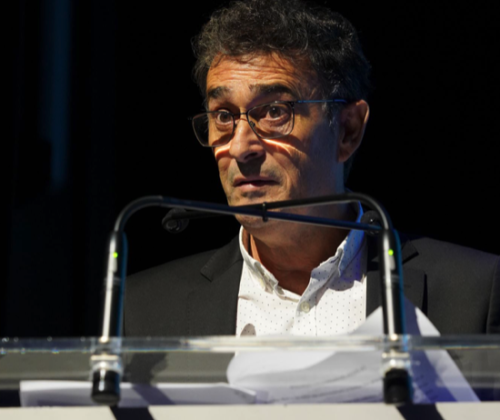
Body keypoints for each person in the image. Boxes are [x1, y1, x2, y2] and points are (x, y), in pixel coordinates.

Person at [124, 0, 500, 339]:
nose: (239, 147)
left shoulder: (473, 292)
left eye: (274, 112)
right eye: (223, 116)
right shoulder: (144, 311)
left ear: (348, 130)